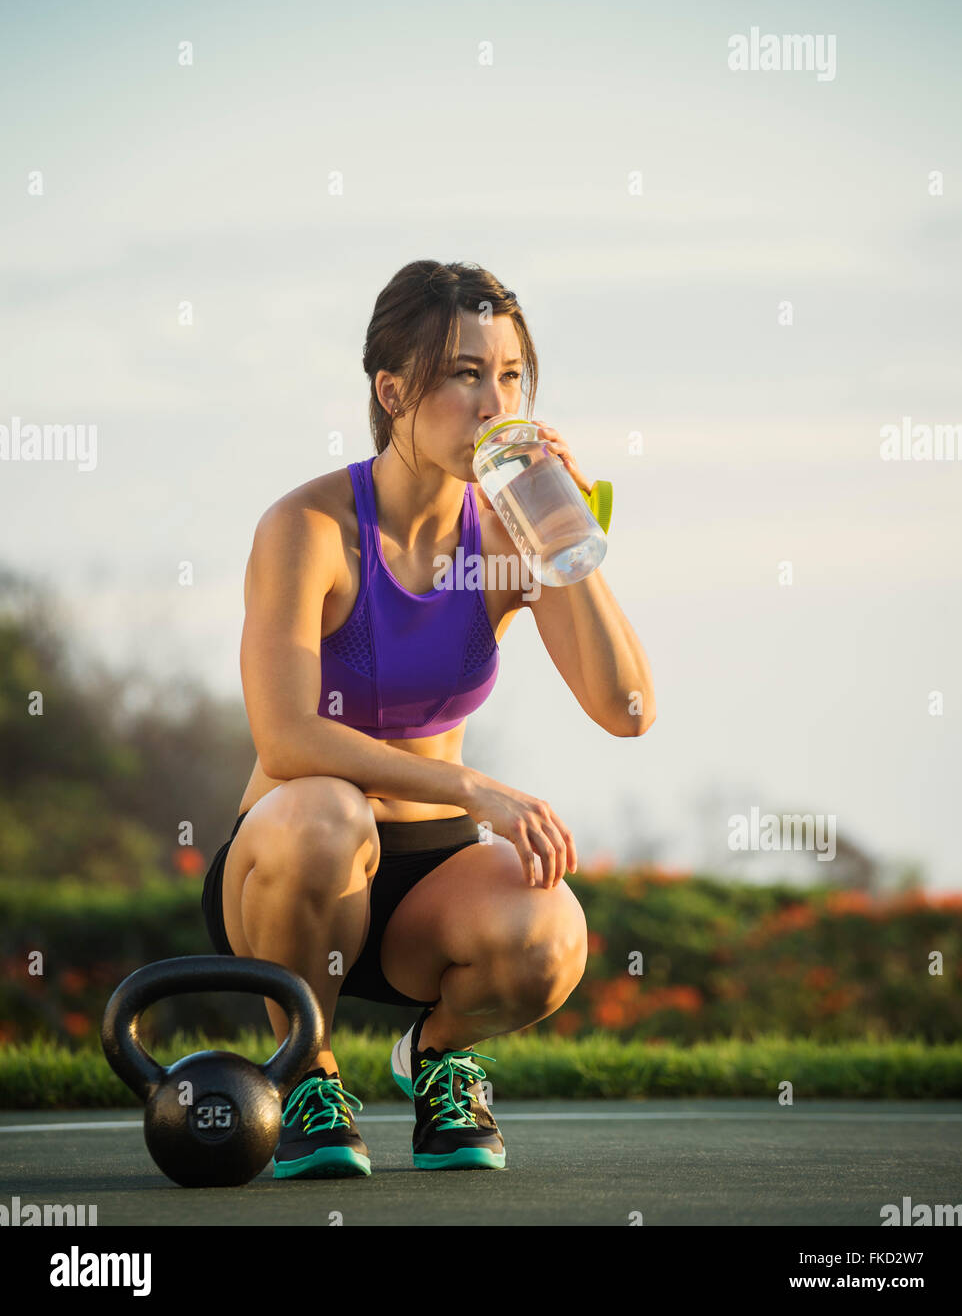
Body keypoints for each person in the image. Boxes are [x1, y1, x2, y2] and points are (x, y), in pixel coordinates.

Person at [201, 259, 655, 1177]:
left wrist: (567, 536)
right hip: (294, 866)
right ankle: (307, 1070)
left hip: (431, 892)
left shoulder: (508, 535)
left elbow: (626, 709)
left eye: (512, 374)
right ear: (393, 388)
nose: (496, 401)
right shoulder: (310, 528)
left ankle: (439, 1057)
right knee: (328, 809)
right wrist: (474, 789)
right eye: (464, 373)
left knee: (551, 929)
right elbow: (287, 738)